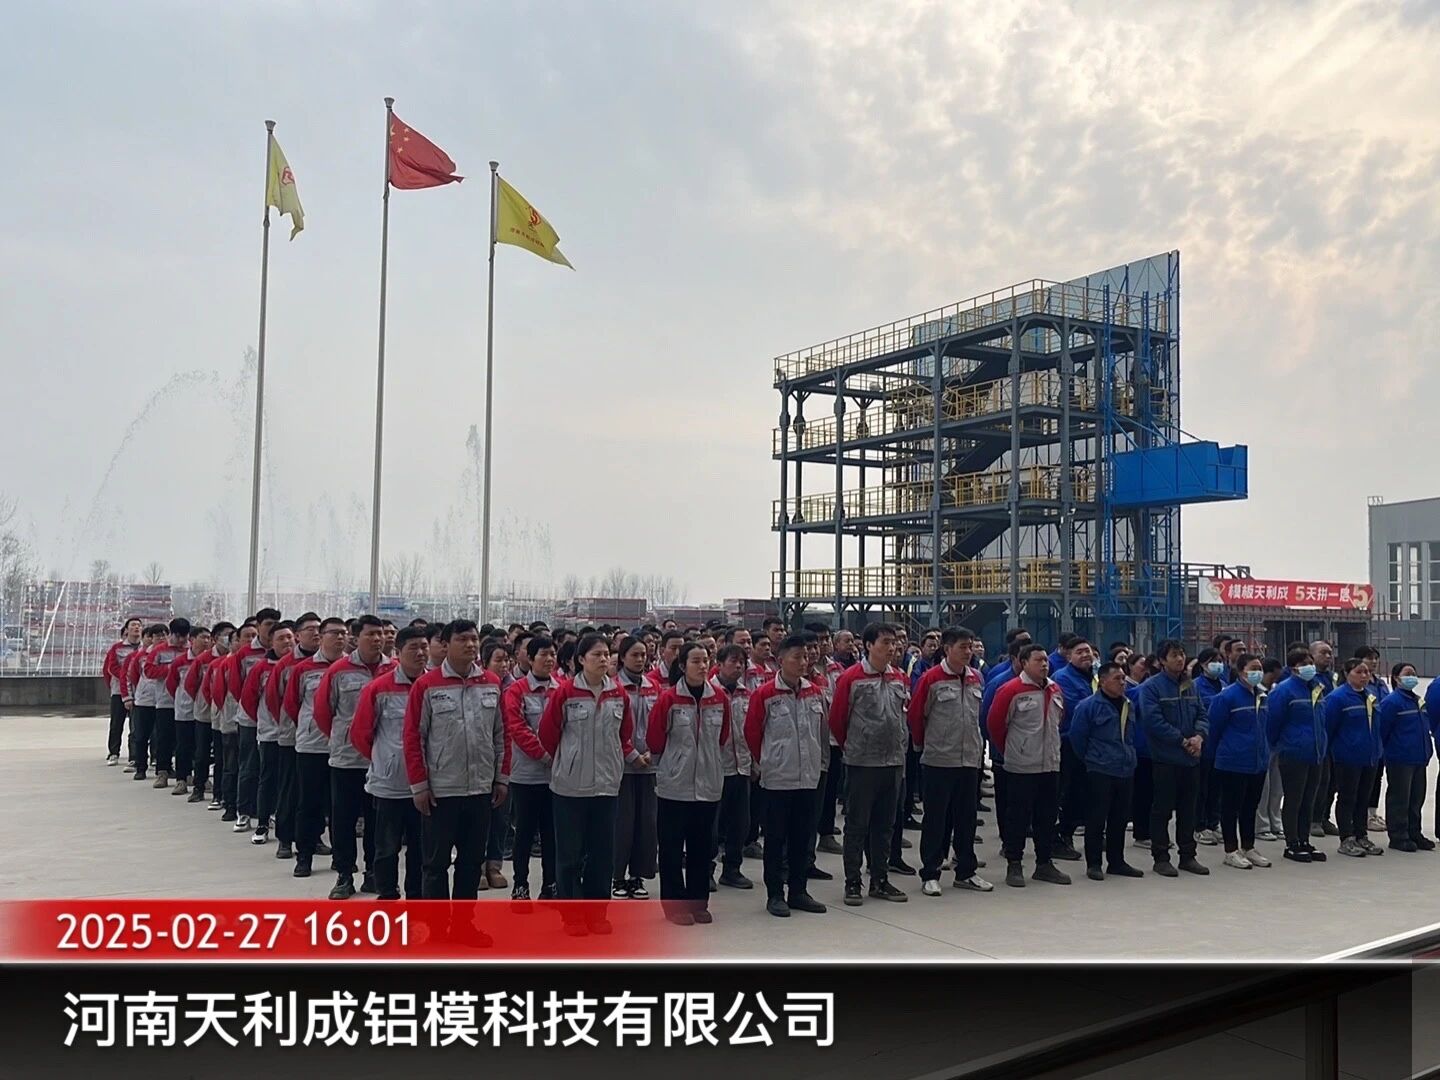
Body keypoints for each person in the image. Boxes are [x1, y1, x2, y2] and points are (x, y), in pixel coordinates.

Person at [404, 619, 508, 935]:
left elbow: (501, 735)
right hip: (441, 791)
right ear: (446, 644)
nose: (471, 644)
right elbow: (413, 738)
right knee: (435, 864)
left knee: (470, 863)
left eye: (474, 639)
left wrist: (501, 778)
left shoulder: (491, 683)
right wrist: (419, 786)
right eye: (462, 639)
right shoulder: (427, 685)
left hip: (480, 789)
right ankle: (438, 930)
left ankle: (464, 926)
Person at [539, 632, 645, 933]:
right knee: (569, 854)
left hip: (606, 785)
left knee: (602, 853)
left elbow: (624, 734)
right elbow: (548, 733)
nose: (603, 659)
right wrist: (569, 759)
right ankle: (572, 915)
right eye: (596, 654)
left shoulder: (618, 693)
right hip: (570, 787)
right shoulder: (565, 692)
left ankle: (597, 913)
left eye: (606, 654)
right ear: (580, 660)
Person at [746, 634, 828, 917]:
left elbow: (822, 731)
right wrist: (768, 761)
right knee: (776, 838)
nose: (803, 662)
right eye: (797, 657)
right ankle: (775, 894)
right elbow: (753, 733)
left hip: (808, 777)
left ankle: (798, 890)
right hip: (777, 779)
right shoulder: (765, 694)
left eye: (806, 657)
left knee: (802, 838)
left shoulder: (814, 692)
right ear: (781, 660)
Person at [648, 642, 730, 925]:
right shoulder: (669, 699)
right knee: (671, 847)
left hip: (708, 782)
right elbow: (655, 739)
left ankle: (698, 902)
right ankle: (674, 906)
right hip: (675, 784)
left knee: (701, 846)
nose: (702, 666)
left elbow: (723, 737)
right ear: (682, 666)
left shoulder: (719, 698)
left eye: (706, 660)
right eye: (695, 661)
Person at [313, 614, 392, 899]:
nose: (377, 639)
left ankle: (373, 873)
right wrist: (344, 738)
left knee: (377, 821)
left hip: (381, 761)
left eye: (381, 634)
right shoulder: (339, 671)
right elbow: (323, 713)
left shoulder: (393, 670)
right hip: (346, 759)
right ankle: (344, 874)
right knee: (343, 819)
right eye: (371, 634)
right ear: (355, 638)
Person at [830, 623, 910, 905]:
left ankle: (880, 879)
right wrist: (855, 746)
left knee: (885, 825)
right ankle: (853, 881)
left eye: (894, 642)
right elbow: (838, 720)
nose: (892, 647)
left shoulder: (899, 677)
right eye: (885, 642)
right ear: (868, 646)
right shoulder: (851, 678)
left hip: (893, 762)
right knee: (857, 825)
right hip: (862, 763)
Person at [908, 627, 992, 895]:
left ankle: (966, 871)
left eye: (970, 646)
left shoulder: (976, 677)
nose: (968, 652)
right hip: (939, 759)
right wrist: (923, 747)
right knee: (936, 819)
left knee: (967, 818)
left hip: (969, 760)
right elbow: (916, 716)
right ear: (947, 649)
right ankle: (930, 872)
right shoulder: (931, 678)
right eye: (962, 647)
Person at [350, 625, 430, 901]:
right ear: (397, 652)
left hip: (426, 785)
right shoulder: (379, 688)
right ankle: (387, 895)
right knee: (386, 847)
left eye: (424, 647)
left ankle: (416, 899)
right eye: (413, 648)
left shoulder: (434, 686)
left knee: (421, 846)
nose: (420, 653)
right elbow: (360, 734)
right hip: (389, 784)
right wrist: (386, 759)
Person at [987, 644, 1069, 887]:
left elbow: (1059, 721)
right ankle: (1014, 863)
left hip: (1050, 764)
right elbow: (995, 725)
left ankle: (1044, 864)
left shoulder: (1054, 689)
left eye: (1046, 660)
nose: (1044, 664)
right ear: (1024, 663)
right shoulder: (1010, 690)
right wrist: (1014, 750)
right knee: (1018, 817)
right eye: (1038, 660)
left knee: (1047, 817)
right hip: (1022, 766)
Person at [1138, 639, 1209, 878]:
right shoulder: (1151, 687)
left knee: (1189, 810)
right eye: (1174, 655)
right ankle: (1161, 857)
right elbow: (1153, 722)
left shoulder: (1190, 685)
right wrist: (1183, 741)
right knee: (1162, 809)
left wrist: (1199, 737)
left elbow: (1202, 714)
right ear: (1162, 661)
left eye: (1182, 654)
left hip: (1191, 759)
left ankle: (1188, 856)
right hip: (1165, 758)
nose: (1180, 659)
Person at [283, 617, 347, 879]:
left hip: (344, 748)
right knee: (308, 803)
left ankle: (342, 859)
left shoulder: (351, 668)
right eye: (334, 633)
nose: (340, 637)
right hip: (312, 746)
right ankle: (304, 857)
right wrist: (311, 726)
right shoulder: (304, 669)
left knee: (340, 807)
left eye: (344, 633)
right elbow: (291, 704)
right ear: (322, 636)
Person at [1069, 661, 1145, 881]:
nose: (1122, 683)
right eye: (1117, 679)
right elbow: (1077, 737)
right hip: (1100, 769)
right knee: (1096, 818)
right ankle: (1094, 863)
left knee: (1119, 818)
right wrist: (1093, 758)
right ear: (1102, 681)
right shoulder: (1088, 706)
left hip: (1125, 768)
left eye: (1123, 679)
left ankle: (1116, 861)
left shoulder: (1128, 704)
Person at [501, 635, 561, 901]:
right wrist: (545, 755)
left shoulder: (562, 689)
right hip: (526, 775)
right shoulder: (516, 691)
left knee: (552, 833)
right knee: (524, 832)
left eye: (552, 654)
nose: (549, 659)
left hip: (556, 776)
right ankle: (520, 884)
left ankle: (550, 884)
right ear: (530, 658)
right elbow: (518, 729)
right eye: (543, 654)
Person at [1206, 653, 1272, 870]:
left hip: (1258, 761)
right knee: (1230, 807)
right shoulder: (1227, 697)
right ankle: (1231, 850)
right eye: (1253, 668)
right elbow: (1214, 729)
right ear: (1241, 670)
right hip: (1233, 760)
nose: (1258, 672)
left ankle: (1248, 846)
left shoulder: (1262, 695)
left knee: (1250, 807)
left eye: (1260, 668)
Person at [1266, 646, 1329, 864]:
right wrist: (1281, 745)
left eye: (1310, 663)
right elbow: (1273, 723)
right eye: (1304, 664)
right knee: (1294, 799)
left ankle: (1304, 840)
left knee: (1309, 799)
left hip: (1315, 752)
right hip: (1294, 753)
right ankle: (1292, 843)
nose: (1309, 667)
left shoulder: (1317, 688)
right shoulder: (1284, 691)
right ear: (1293, 668)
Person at [266, 612, 319, 859]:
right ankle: (285, 839)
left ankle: (313, 837)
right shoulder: (285, 665)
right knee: (289, 789)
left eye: (319, 628)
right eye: (310, 629)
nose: (315, 633)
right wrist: (297, 723)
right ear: (298, 635)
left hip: (320, 740)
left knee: (314, 792)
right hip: (291, 736)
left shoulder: (329, 662)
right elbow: (275, 700)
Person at [1324, 658, 1385, 858]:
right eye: (1359, 672)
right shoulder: (1337, 698)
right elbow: (1328, 728)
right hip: (1347, 757)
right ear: (1347, 673)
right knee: (1347, 797)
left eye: (1367, 672)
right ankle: (1347, 838)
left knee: (1363, 798)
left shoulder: (1370, 696)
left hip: (1369, 756)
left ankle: (1361, 835)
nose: (1364, 676)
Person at [239, 620, 294, 845]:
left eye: (290, 637)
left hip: (297, 735)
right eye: (281, 638)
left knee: (291, 782)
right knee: (268, 778)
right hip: (271, 733)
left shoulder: (301, 665)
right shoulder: (261, 668)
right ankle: (262, 823)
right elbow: (248, 699)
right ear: (271, 642)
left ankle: (285, 823)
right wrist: (264, 722)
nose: (287, 642)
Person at [613, 636, 659, 900]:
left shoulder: (654, 687)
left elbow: (660, 725)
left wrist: (652, 752)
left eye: (643, 655)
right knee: (623, 824)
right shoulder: (614, 687)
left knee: (646, 824)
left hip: (649, 766)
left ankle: (637, 876)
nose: (640, 659)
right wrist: (631, 755)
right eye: (634, 655)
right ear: (622, 657)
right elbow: (612, 730)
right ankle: (617, 876)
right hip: (622, 768)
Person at [710, 644, 754, 889]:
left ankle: (732, 869)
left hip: (742, 766)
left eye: (742, 662)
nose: (738, 666)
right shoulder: (709, 693)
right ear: (719, 663)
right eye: (733, 661)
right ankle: (706, 869)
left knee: (740, 823)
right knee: (712, 824)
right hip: (716, 767)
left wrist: (754, 762)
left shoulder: (746, 694)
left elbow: (753, 730)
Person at [1052, 638, 1098, 861]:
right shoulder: (1063, 678)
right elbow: (1078, 709)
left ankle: (1082, 833)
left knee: (1084, 792)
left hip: (1092, 742)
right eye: (1079, 652)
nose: (1085, 655)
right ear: (1069, 656)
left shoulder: (1094, 676)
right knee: (1067, 792)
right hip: (1070, 741)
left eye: (1088, 651)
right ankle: (1061, 837)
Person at [1380, 664, 1433, 852]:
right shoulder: (1392, 702)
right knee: (1400, 798)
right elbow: (1382, 730)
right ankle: (1398, 835)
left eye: (1414, 673)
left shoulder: (1417, 700)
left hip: (1419, 757)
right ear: (1396, 678)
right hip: (1400, 757)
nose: (1412, 677)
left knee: (1416, 798)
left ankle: (1414, 832)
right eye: (1407, 674)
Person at [185, 622, 232, 806]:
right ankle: (199, 787)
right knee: (202, 752)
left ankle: (219, 793)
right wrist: (205, 701)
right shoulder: (203, 659)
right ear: (215, 638)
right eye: (226, 635)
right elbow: (191, 684)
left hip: (223, 715)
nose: (229, 639)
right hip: (205, 712)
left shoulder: (231, 659)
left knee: (220, 755)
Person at [160, 620, 204, 797]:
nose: (206, 641)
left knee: (200, 746)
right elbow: (171, 684)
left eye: (208, 638)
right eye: (202, 638)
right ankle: (181, 779)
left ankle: (200, 778)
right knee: (183, 745)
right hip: (184, 710)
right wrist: (182, 699)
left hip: (204, 711)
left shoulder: (210, 660)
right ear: (192, 640)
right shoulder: (180, 661)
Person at [1190, 648, 1227, 847]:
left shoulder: (1224, 685)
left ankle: (1214, 822)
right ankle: (1199, 825)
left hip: (1222, 744)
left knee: (1217, 788)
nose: (1218, 664)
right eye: (1214, 661)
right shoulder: (1195, 686)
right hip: (1204, 742)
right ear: (1203, 664)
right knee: (1201, 788)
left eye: (1221, 660)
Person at [126, 623, 166, 781]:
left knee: (162, 736)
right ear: (151, 638)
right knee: (141, 736)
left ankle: (162, 767)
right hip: (144, 701)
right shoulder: (141, 655)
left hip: (163, 700)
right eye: (157, 635)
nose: (161, 638)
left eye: (164, 635)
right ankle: (140, 767)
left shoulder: (170, 654)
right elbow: (133, 676)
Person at [102, 617, 143, 766]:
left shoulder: (144, 649)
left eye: (139, 625)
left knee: (136, 725)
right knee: (116, 723)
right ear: (126, 630)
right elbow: (111, 667)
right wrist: (128, 676)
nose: (136, 628)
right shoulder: (117, 648)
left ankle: (134, 755)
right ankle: (113, 752)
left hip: (138, 692)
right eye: (133, 625)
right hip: (119, 691)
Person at [1254, 657, 1287, 842]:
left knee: (1277, 787)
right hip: (1262, 743)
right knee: (1264, 788)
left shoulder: (1276, 691)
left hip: (1277, 743)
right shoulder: (1255, 692)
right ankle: (1262, 825)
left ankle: (1276, 821)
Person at [1124, 652, 1154, 850]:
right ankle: (1143, 832)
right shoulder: (1139, 692)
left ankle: (1153, 832)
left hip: (1161, 749)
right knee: (1144, 793)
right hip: (1143, 748)